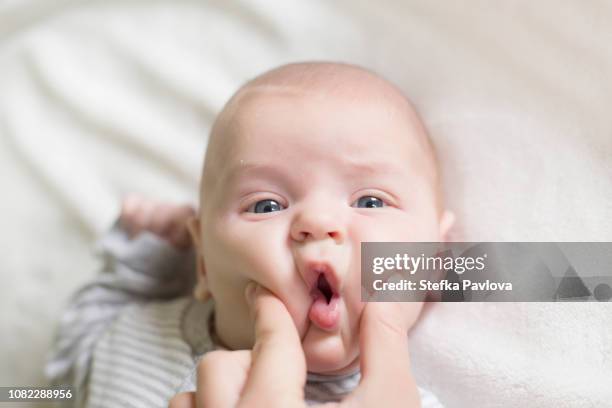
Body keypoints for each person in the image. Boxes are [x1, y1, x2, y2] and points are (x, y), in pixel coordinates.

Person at [46, 62, 454, 407]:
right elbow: (62, 375)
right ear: (204, 262)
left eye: (370, 202)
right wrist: (146, 266)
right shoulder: (136, 332)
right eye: (266, 206)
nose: (317, 222)